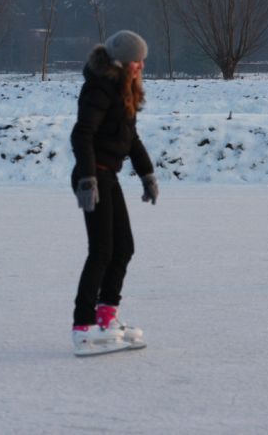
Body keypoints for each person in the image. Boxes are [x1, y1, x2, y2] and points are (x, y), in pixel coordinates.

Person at [69, 30, 159, 356]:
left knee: (123, 247)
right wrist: (87, 179)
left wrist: (147, 174)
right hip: (93, 176)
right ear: (121, 62)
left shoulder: (124, 90)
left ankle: (106, 315)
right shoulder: (99, 88)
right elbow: (82, 135)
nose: (141, 65)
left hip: (108, 176)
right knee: (101, 250)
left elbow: (130, 139)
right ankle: (82, 326)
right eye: (137, 60)